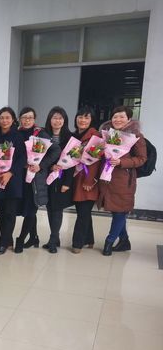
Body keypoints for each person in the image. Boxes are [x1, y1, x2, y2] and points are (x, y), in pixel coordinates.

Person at [97, 105, 147, 256]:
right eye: (115, 116)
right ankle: (124, 240)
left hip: (124, 180)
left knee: (120, 211)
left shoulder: (136, 136)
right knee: (117, 211)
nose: (117, 119)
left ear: (129, 119)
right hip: (107, 178)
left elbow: (141, 159)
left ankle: (109, 241)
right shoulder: (107, 134)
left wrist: (121, 162)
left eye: (121, 116)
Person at [15, 107, 59, 253]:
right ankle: (34, 237)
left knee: (31, 209)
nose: (27, 120)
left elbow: (55, 150)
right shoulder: (17, 133)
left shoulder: (41, 133)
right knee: (27, 208)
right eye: (24, 117)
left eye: (30, 118)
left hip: (35, 178)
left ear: (34, 119)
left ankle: (21, 239)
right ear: (20, 118)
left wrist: (41, 165)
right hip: (20, 177)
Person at [0, 107, 26, 255]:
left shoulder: (17, 136)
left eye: (7, 118)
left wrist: (10, 173)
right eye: (2, 118)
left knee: (10, 213)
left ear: (13, 120)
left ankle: (3, 243)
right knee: (1, 213)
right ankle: (7, 241)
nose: (4, 120)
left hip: (13, 180)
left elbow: (22, 158)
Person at [71, 106, 101, 253]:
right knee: (83, 211)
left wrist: (90, 181)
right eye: (80, 117)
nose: (83, 120)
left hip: (87, 180)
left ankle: (77, 243)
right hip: (76, 179)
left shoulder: (96, 136)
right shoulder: (74, 135)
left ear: (91, 120)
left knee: (83, 212)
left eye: (86, 117)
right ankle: (89, 239)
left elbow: (96, 162)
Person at [43, 106, 74, 253]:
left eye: (60, 118)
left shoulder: (70, 138)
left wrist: (67, 182)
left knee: (57, 209)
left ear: (64, 120)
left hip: (61, 179)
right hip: (47, 177)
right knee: (49, 207)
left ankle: (53, 239)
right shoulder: (44, 135)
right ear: (50, 119)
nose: (57, 121)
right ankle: (55, 237)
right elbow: (39, 157)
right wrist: (50, 166)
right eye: (54, 118)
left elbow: (74, 161)